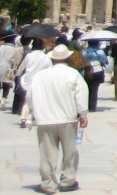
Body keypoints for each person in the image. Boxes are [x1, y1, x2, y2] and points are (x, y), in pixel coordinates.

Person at [26, 44, 89, 194]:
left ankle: (48, 183)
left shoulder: (39, 76)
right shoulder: (73, 74)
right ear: (68, 58)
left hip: (45, 119)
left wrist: (35, 111)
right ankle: (68, 180)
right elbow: (81, 96)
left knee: (47, 154)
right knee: (70, 152)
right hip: (67, 118)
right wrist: (83, 115)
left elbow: (29, 97)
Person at [16, 37, 52, 124]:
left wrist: (17, 75)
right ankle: (32, 117)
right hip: (39, 81)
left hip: (27, 80)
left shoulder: (29, 56)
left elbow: (21, 68)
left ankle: (23, 118)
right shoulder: (45, 57)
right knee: (37, 100)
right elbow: (50, 69)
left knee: (26, 100)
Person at [80, 40, 108, 112]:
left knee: (87, 89)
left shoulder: (84, 51)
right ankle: (92, 107)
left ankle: (86, 106)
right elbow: (105, 61)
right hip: (97, 70)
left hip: (87, 71)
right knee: (94, 90)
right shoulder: (100, 51)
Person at [0, 32, 21, 109]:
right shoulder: (14, 49)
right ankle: (3, 98)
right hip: (8, 67)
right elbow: (13, 60)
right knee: (6, 84)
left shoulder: (1, 47)